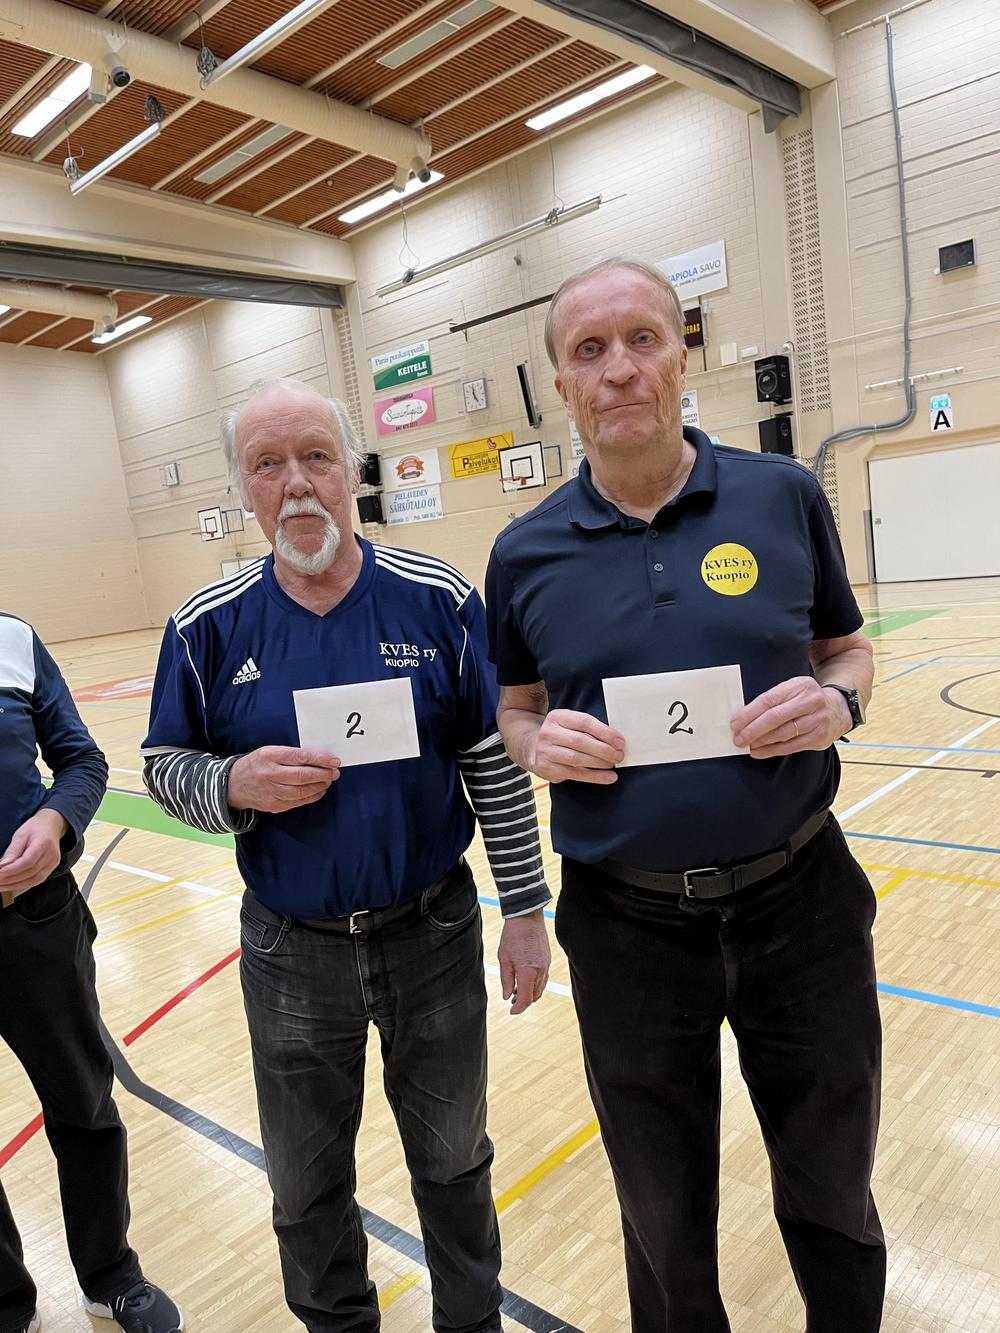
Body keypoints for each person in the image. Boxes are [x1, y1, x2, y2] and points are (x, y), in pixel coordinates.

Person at [485, 257, 883, 1333]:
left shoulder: (783, 495)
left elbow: (847, 651)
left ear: (681, 354)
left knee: (833, 1182)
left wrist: (837, 703)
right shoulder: (522, 552)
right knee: (659, 1209)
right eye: (589, 351)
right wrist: (536, 741)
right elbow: (514, 708)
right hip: (625, 926)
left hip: (801, 902)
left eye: (642, 339)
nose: (619, 369)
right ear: (561, 386)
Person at [141, 378, 551, 1332]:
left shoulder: (438, 600)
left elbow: (491, 763)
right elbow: (163, 766)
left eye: (316, 457)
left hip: (433, 933)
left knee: (454, 1160)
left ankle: (471, 1323)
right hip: (290, 950)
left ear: (354, 472)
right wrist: (232, 782)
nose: (296, 483)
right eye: (267, 464)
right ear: (243, 488)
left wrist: (526, 911)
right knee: (304, 1179)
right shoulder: (206, 625)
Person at [0, 613, 183, 1333]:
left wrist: (55, 823)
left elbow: (81, 761)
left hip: (36, 924)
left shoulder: (13, 641)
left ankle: (109, 1274)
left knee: (84, 1102)